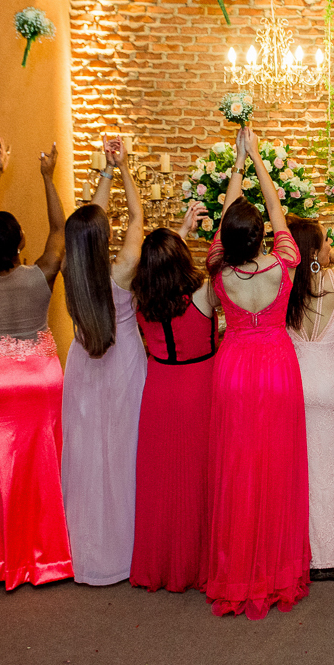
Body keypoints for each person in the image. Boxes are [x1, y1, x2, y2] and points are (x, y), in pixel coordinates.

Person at [204, 126, 310, 619]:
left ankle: (238, 570)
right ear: (263, 235)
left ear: (226, 238)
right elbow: (276, 210)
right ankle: (275, 570)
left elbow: (227, 218)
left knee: (238, 469)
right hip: (276, 369)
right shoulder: (285, 264)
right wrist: (261, 164)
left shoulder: (217, 269)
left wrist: (237, 167)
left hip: (233, 369)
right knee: (276, 466)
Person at [0, 138, 73, 589]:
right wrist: (48, 177)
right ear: (19, 243)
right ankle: (47, 556)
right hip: (40, 377)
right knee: (43, 465)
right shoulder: (38, 276)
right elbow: (60, 232)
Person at [61, 139, 147, 585]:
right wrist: (125, 169)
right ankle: (127, 549)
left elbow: (86, 229)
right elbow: (137, 219)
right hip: (125, 368)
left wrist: (105, 174)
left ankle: (85, 550)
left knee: (87, 455)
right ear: (104, 239)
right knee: (124, 453)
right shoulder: (124, 269)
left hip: (83, 369)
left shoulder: (69, 271)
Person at [129, 203, 217, 593]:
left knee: (163, 483)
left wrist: (177, 230)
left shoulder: (140, 298)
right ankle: (196, 563)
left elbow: (162, 267)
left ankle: (162, 564)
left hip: (160, 389)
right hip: (200, 388)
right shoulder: (202, 292)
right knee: (199, 479)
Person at [286, 213, 334, 583]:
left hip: (298, 385)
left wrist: (312, 254)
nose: (331, 247)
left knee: (306, 471)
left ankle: (309, 553)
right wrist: (330, 256)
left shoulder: (282, 287)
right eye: (325, 242)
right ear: (314, 251)